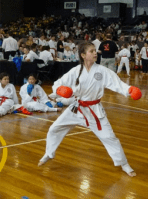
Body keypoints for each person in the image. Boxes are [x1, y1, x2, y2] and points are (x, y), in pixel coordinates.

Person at [37, 42, 142, 177]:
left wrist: (129, 90)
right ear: (83, 55)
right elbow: (58, 83)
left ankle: (124, 164)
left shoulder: (102, 71)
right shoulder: (75, 70)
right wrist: (59, 90)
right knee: (54, 128)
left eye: (94, 51)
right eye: (91, 51)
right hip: (76, 108)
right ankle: (49, 154)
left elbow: (117, 83)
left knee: (109, 137)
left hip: (94, 110)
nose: (95, 53)